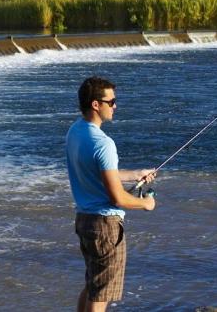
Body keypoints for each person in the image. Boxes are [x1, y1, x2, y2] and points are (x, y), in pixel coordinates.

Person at [66, 76, 157, 312]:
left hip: (84, 220)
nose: (115, 106)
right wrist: (145, 204)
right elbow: (118, 198)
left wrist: (135, 174)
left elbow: (100, 172)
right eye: (111, 101)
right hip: (105, 226)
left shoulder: (75, 131)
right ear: (96, 104)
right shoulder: (104, 143)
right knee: (102, 293)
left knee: (93, 284)